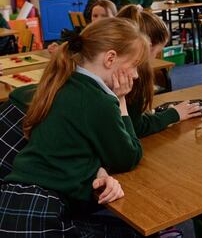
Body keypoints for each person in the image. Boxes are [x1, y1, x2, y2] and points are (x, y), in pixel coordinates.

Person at [0, 18, 149, 235]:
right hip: (42, 213)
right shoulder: (99, 101)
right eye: (134, 65)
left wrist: (97, 169)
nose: (135, 75)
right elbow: (128, 156)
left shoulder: (60, 81)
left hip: (11, 199)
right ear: (110, 58)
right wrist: (122, 102)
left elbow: (73, 145)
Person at [116, 5, 202, 136]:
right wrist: (174, 114)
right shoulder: (133, 75)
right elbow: (137, 128)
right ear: (146, 47)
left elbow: (131, 118)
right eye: (157, 53)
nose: (155, 58)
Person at [49, 0, 119, 55]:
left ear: (114, 18)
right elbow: (74, 41)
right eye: (95, 16)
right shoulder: (88, 33)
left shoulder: (116, 37)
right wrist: (59, 45)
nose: (98, 20)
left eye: (104, 16)